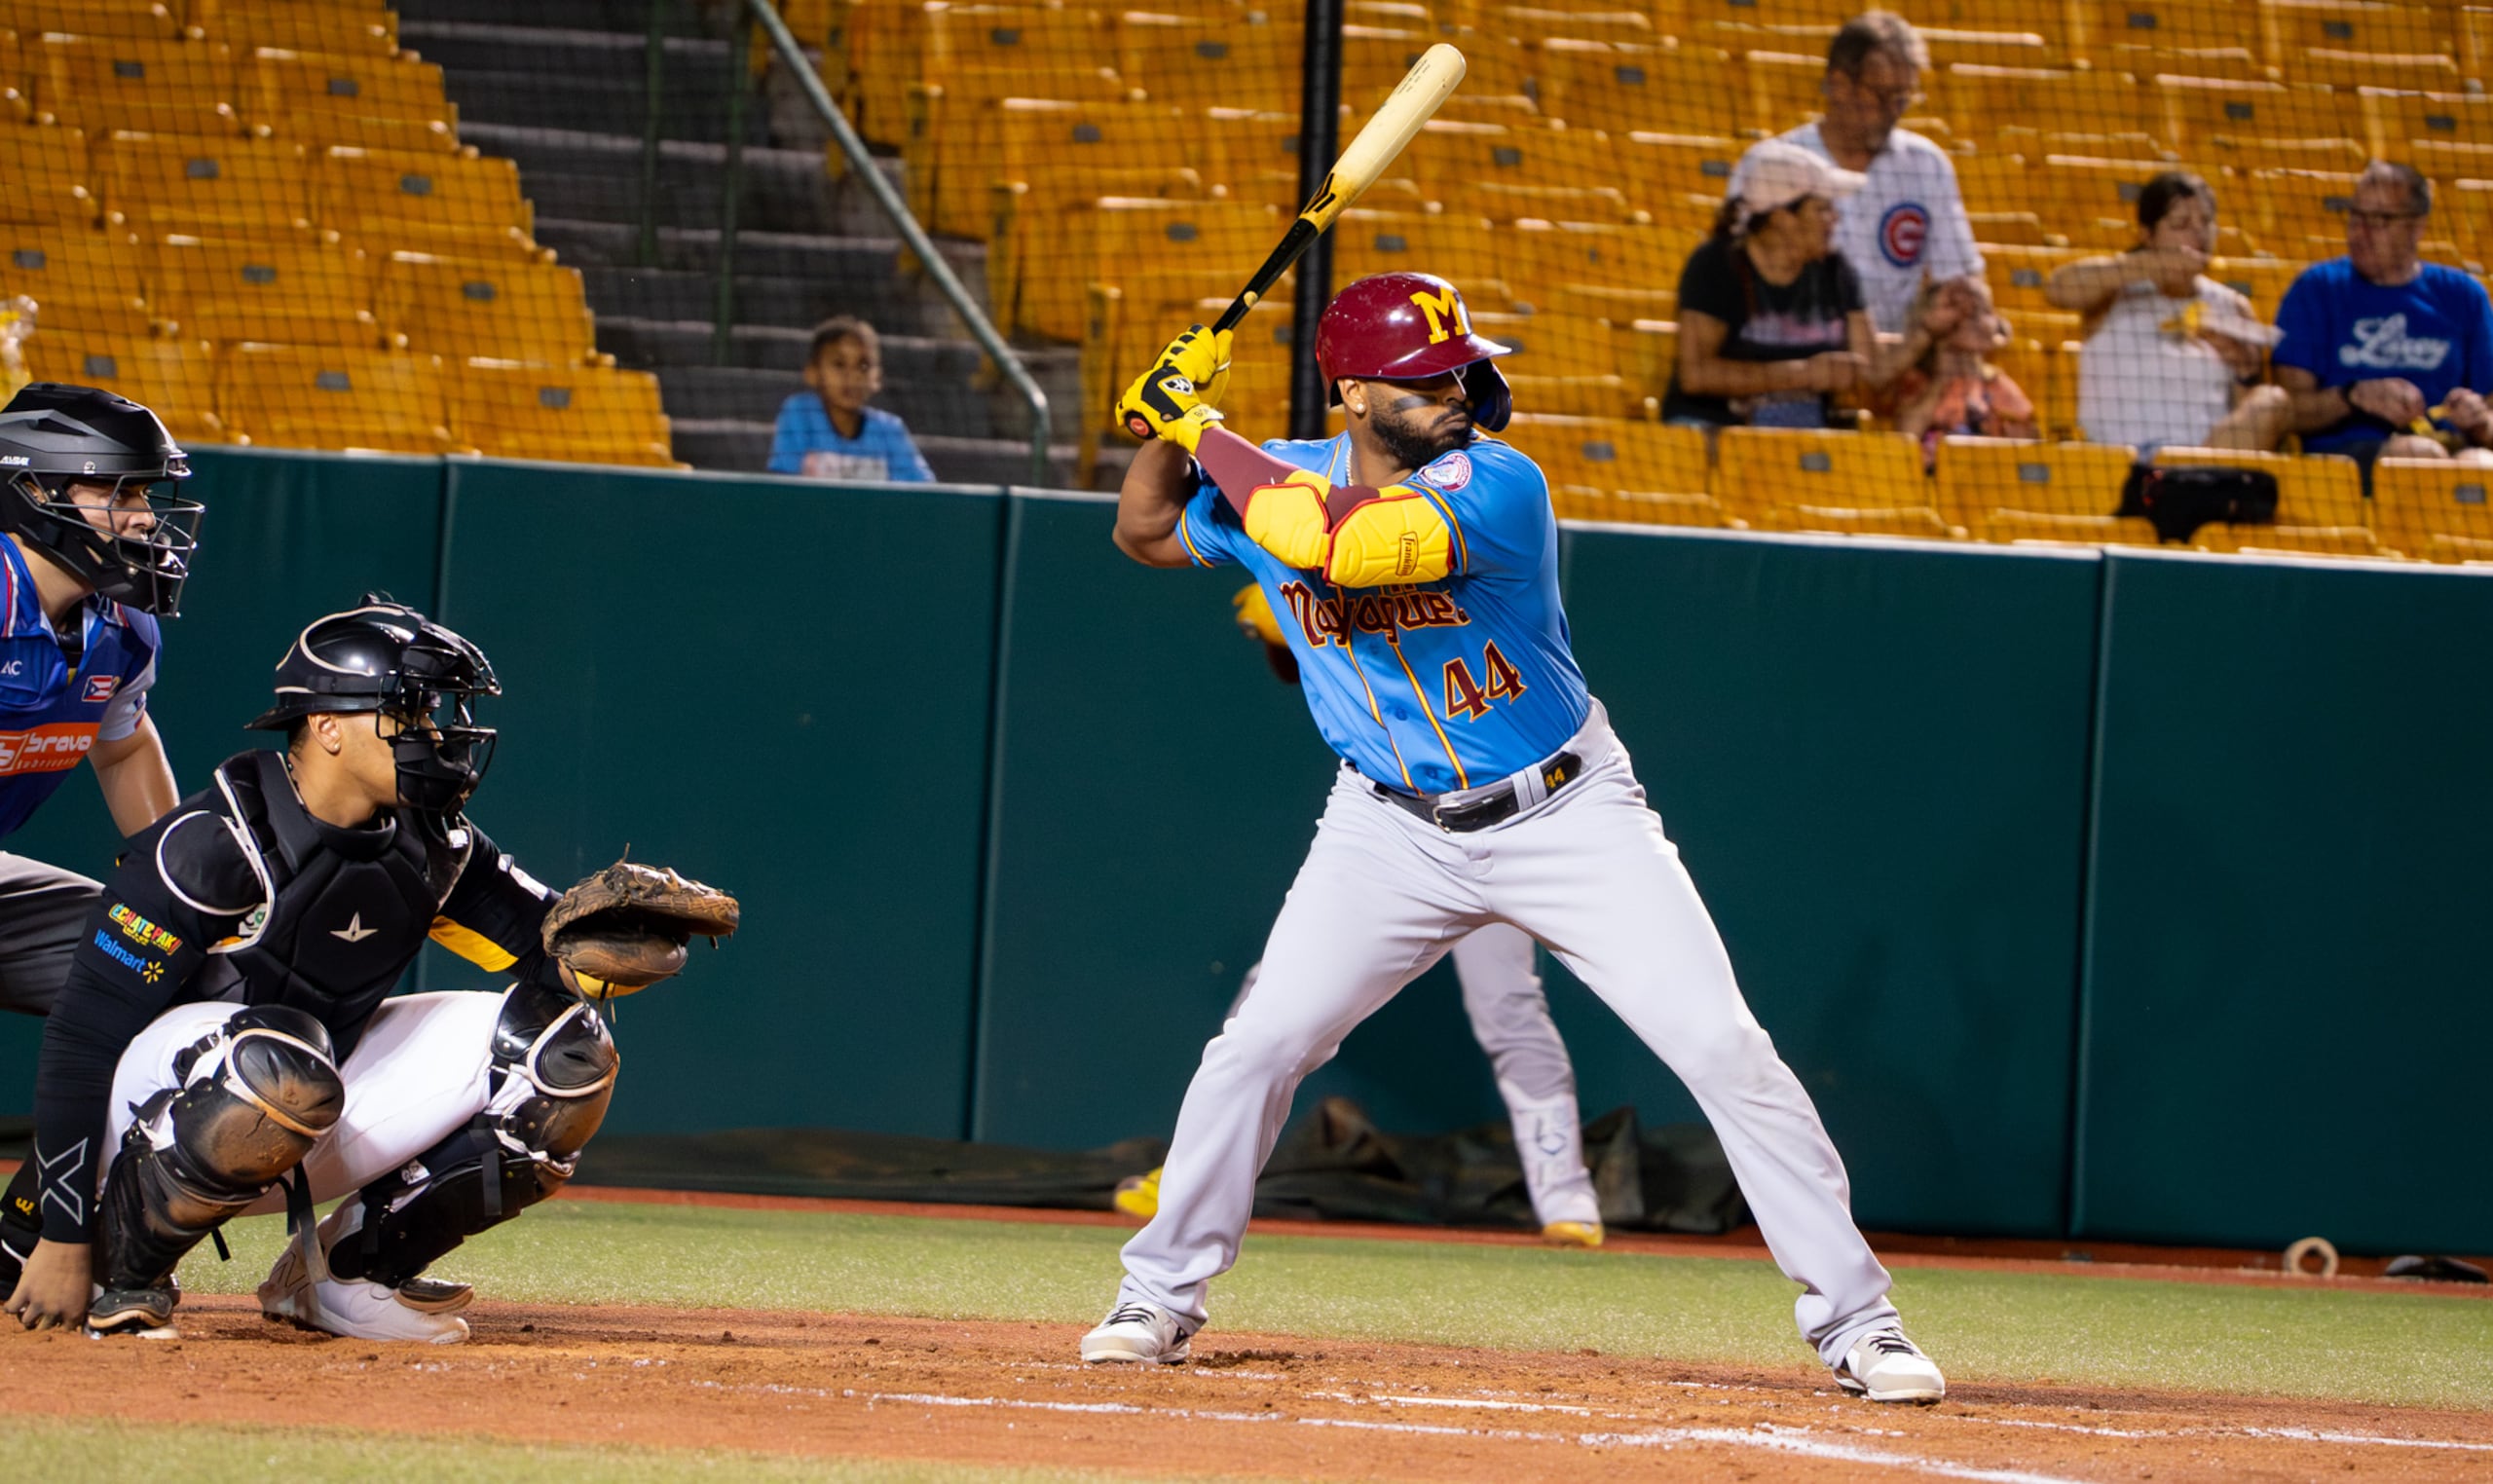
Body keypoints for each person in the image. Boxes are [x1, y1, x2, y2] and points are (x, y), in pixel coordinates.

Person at [1087, 271, 1948, 1403]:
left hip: (1563, 811)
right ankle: (1157, 1293)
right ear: (1349, 391)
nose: (1455, 387)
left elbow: (1335, 546)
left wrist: (1201, 427)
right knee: (1257, 1046)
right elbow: (1143, 529)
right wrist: (1161, 422)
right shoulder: (1276, 476)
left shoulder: (1497, 481)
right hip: (1383, 826)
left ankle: (1858, 1321)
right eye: (1422, 377)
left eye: (1460, 367)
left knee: (1721, 1045)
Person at [0, 597, 734, 1342]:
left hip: (298, 1100)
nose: (434, 734)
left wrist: (615, 947)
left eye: (433, 714)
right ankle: (121, 1272)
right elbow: (83, 1039)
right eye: (408, 713)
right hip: (145, 1130)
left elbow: (549, 956)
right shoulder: (210, 843)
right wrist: (60, 1230)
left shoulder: (437, 843)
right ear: (325, 726)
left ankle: (346, 1273)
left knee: (565, 1053)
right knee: (282, 1056)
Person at [1115, 585, 1608, 1248]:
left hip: (1503, 825)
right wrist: (1287, 625)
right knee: (1271, 995)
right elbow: (1309, 668)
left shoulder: (1456, 555)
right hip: (1398, 837)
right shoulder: (1334, 553)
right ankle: (1188, 1177)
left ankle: (1567, 1197)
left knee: (1510, 1006)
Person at [0, 384, 198, 1036]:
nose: (143, 516)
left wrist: (173, 885)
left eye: (143, 493)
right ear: (35, 494)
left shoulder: (122, 628)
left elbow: (124, 745)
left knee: (162, 959)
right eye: (121, 492)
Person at [1663, 139, 1962, 430]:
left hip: (1802, 431)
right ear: (1782, 218)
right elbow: (1695, 374)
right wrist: (1803, 374)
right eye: (1822, 210)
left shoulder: (1835, 270)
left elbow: (1873, 372)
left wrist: (1926, 331)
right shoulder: (1716, 264)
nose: (1834, 219)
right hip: (1714, 425)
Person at [1735, 12, 1983, 337]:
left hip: (1894, 365)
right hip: (1787, 356)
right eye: (1881, 96)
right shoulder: (1771, 165)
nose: (1894, 111)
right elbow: (1732, 278)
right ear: (1838, 85)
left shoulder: (1927, 166)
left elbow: (1956, 278)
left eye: (1903, 98)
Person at [2047, 171, 2288, 457]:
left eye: (2206, 222)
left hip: (2202, 461)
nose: (2198, 233)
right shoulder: (2112, 290)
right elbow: (2057, 289)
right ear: (2146, 235)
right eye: (2181, 224)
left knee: (2273, 401)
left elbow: (2242, 418)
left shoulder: (2232, 306)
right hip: (2120, 464)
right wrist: (2152, 264)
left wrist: (2245, 372)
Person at [2273, 161, 2493, 471]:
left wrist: (2481, 421)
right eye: (2355, 216)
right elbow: (2288, 410)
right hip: (2346, 459)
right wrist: (2352, 396)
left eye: (2378, 220)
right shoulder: (2316, 288)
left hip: (2452, 452)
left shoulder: (2464, 295)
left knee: (2482, 466)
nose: (2360, 233)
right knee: (2419, 456)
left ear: (2417, 227)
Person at [766, 316, 937, 482]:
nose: (853, 376)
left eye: (863, 366)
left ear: (876, 377)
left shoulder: (890, 430)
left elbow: (923, 492)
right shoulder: (800, 413)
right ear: (813, 372)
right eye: (839, 364)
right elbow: (784, 484)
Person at [1891, 278, 2037, 466]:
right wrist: (1943, 376)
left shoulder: (1997, 383)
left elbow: (2032, 445)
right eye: (1964, 312)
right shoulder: (1917, 381)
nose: (1979, 321)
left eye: (1983, 311)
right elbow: (1903, 439)